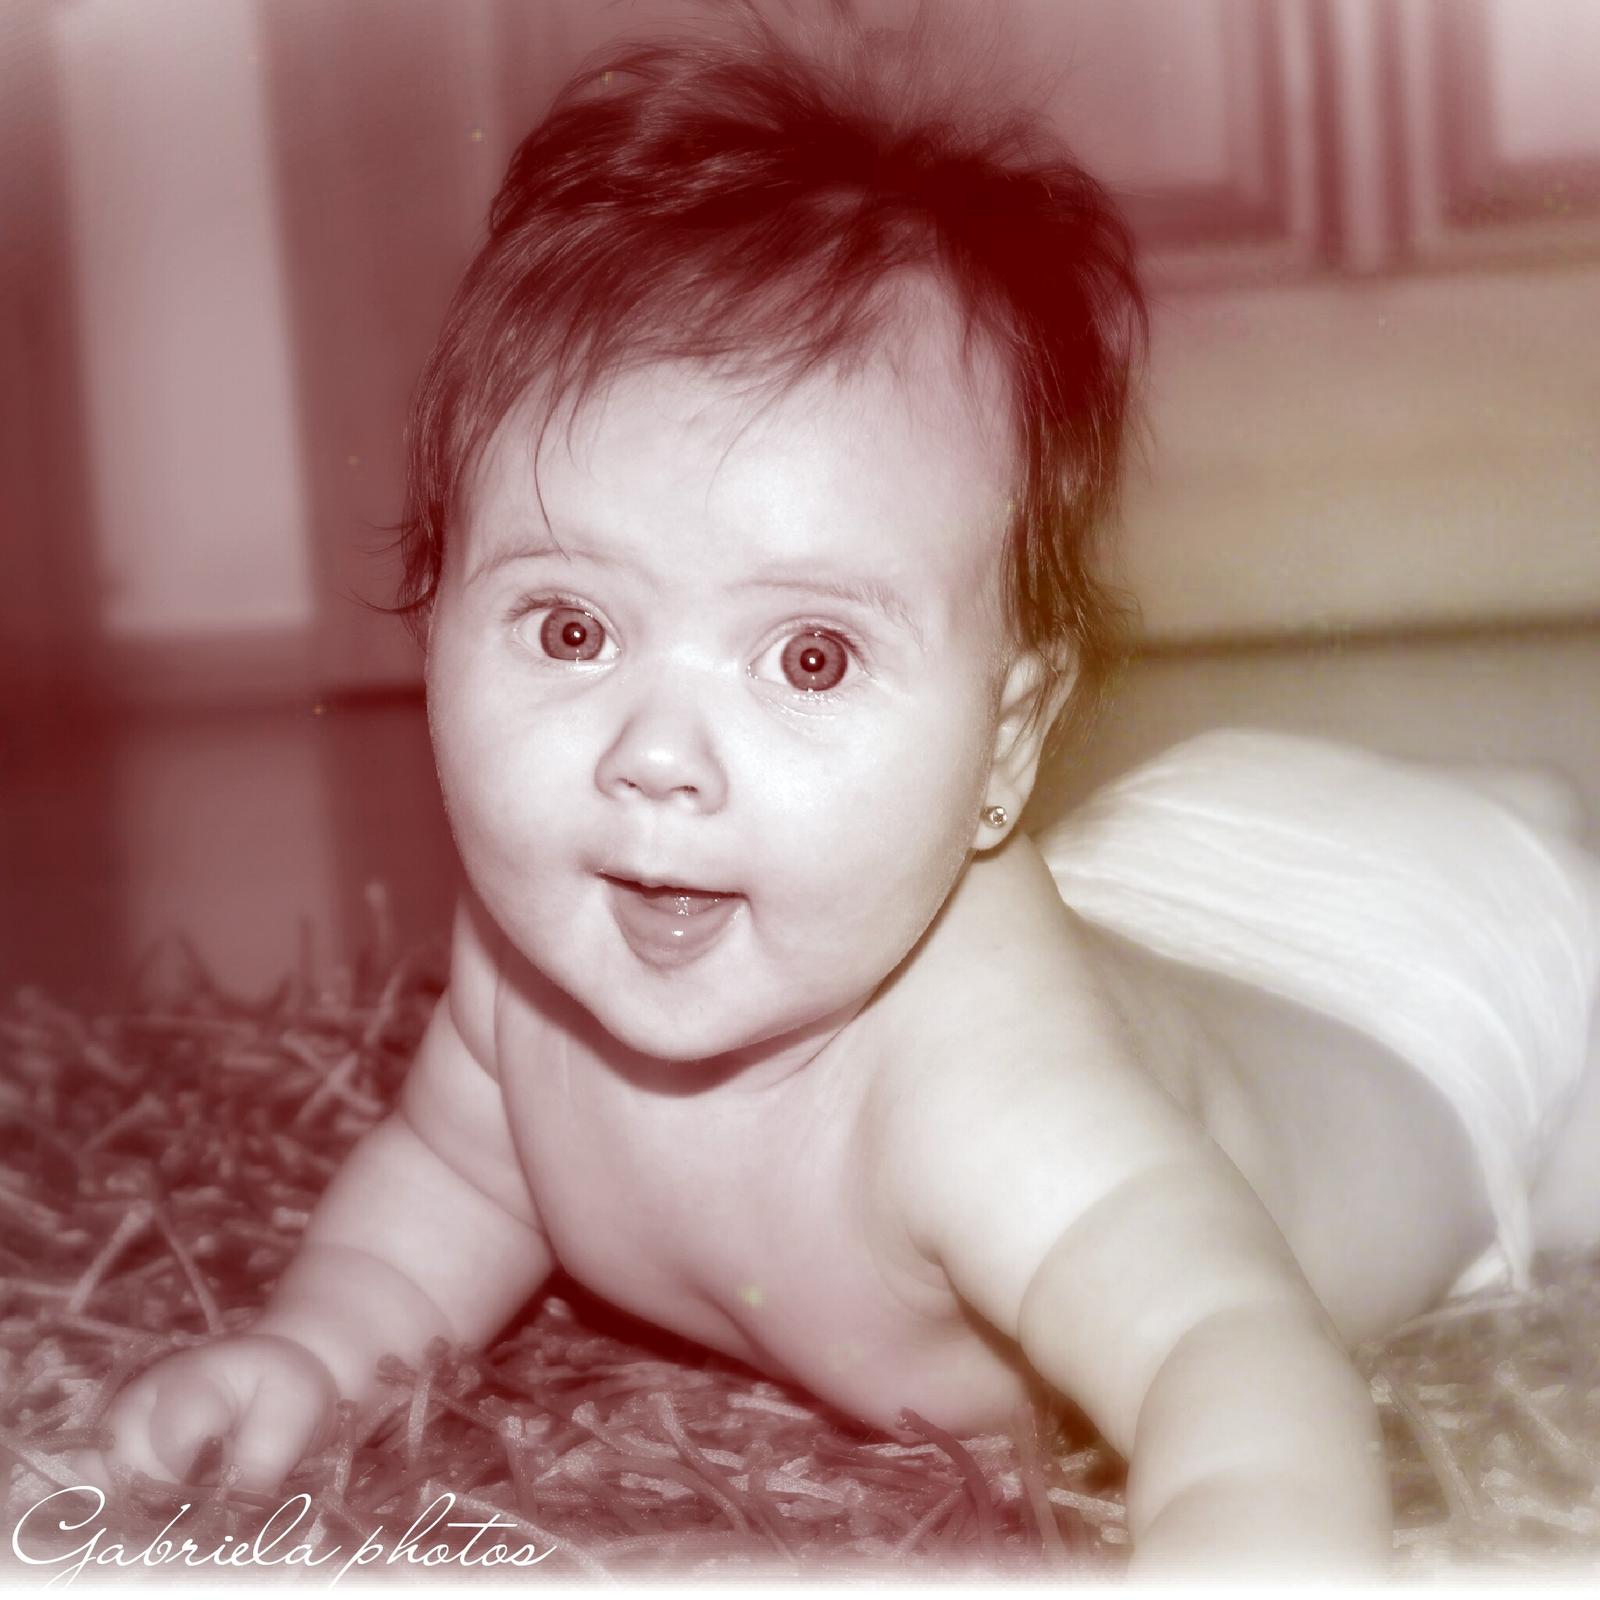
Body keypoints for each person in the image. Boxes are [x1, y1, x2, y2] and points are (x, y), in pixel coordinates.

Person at [84, 7, 1600, 1575]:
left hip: (1430, 964)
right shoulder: (534, 953)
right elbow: (461, 1173)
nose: (655, 756)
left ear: (1004, 747)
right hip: (1175, 867)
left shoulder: (991, 1097)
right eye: (574, 630)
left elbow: (1223, 1349)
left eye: (808, 658)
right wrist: (318, 1347)